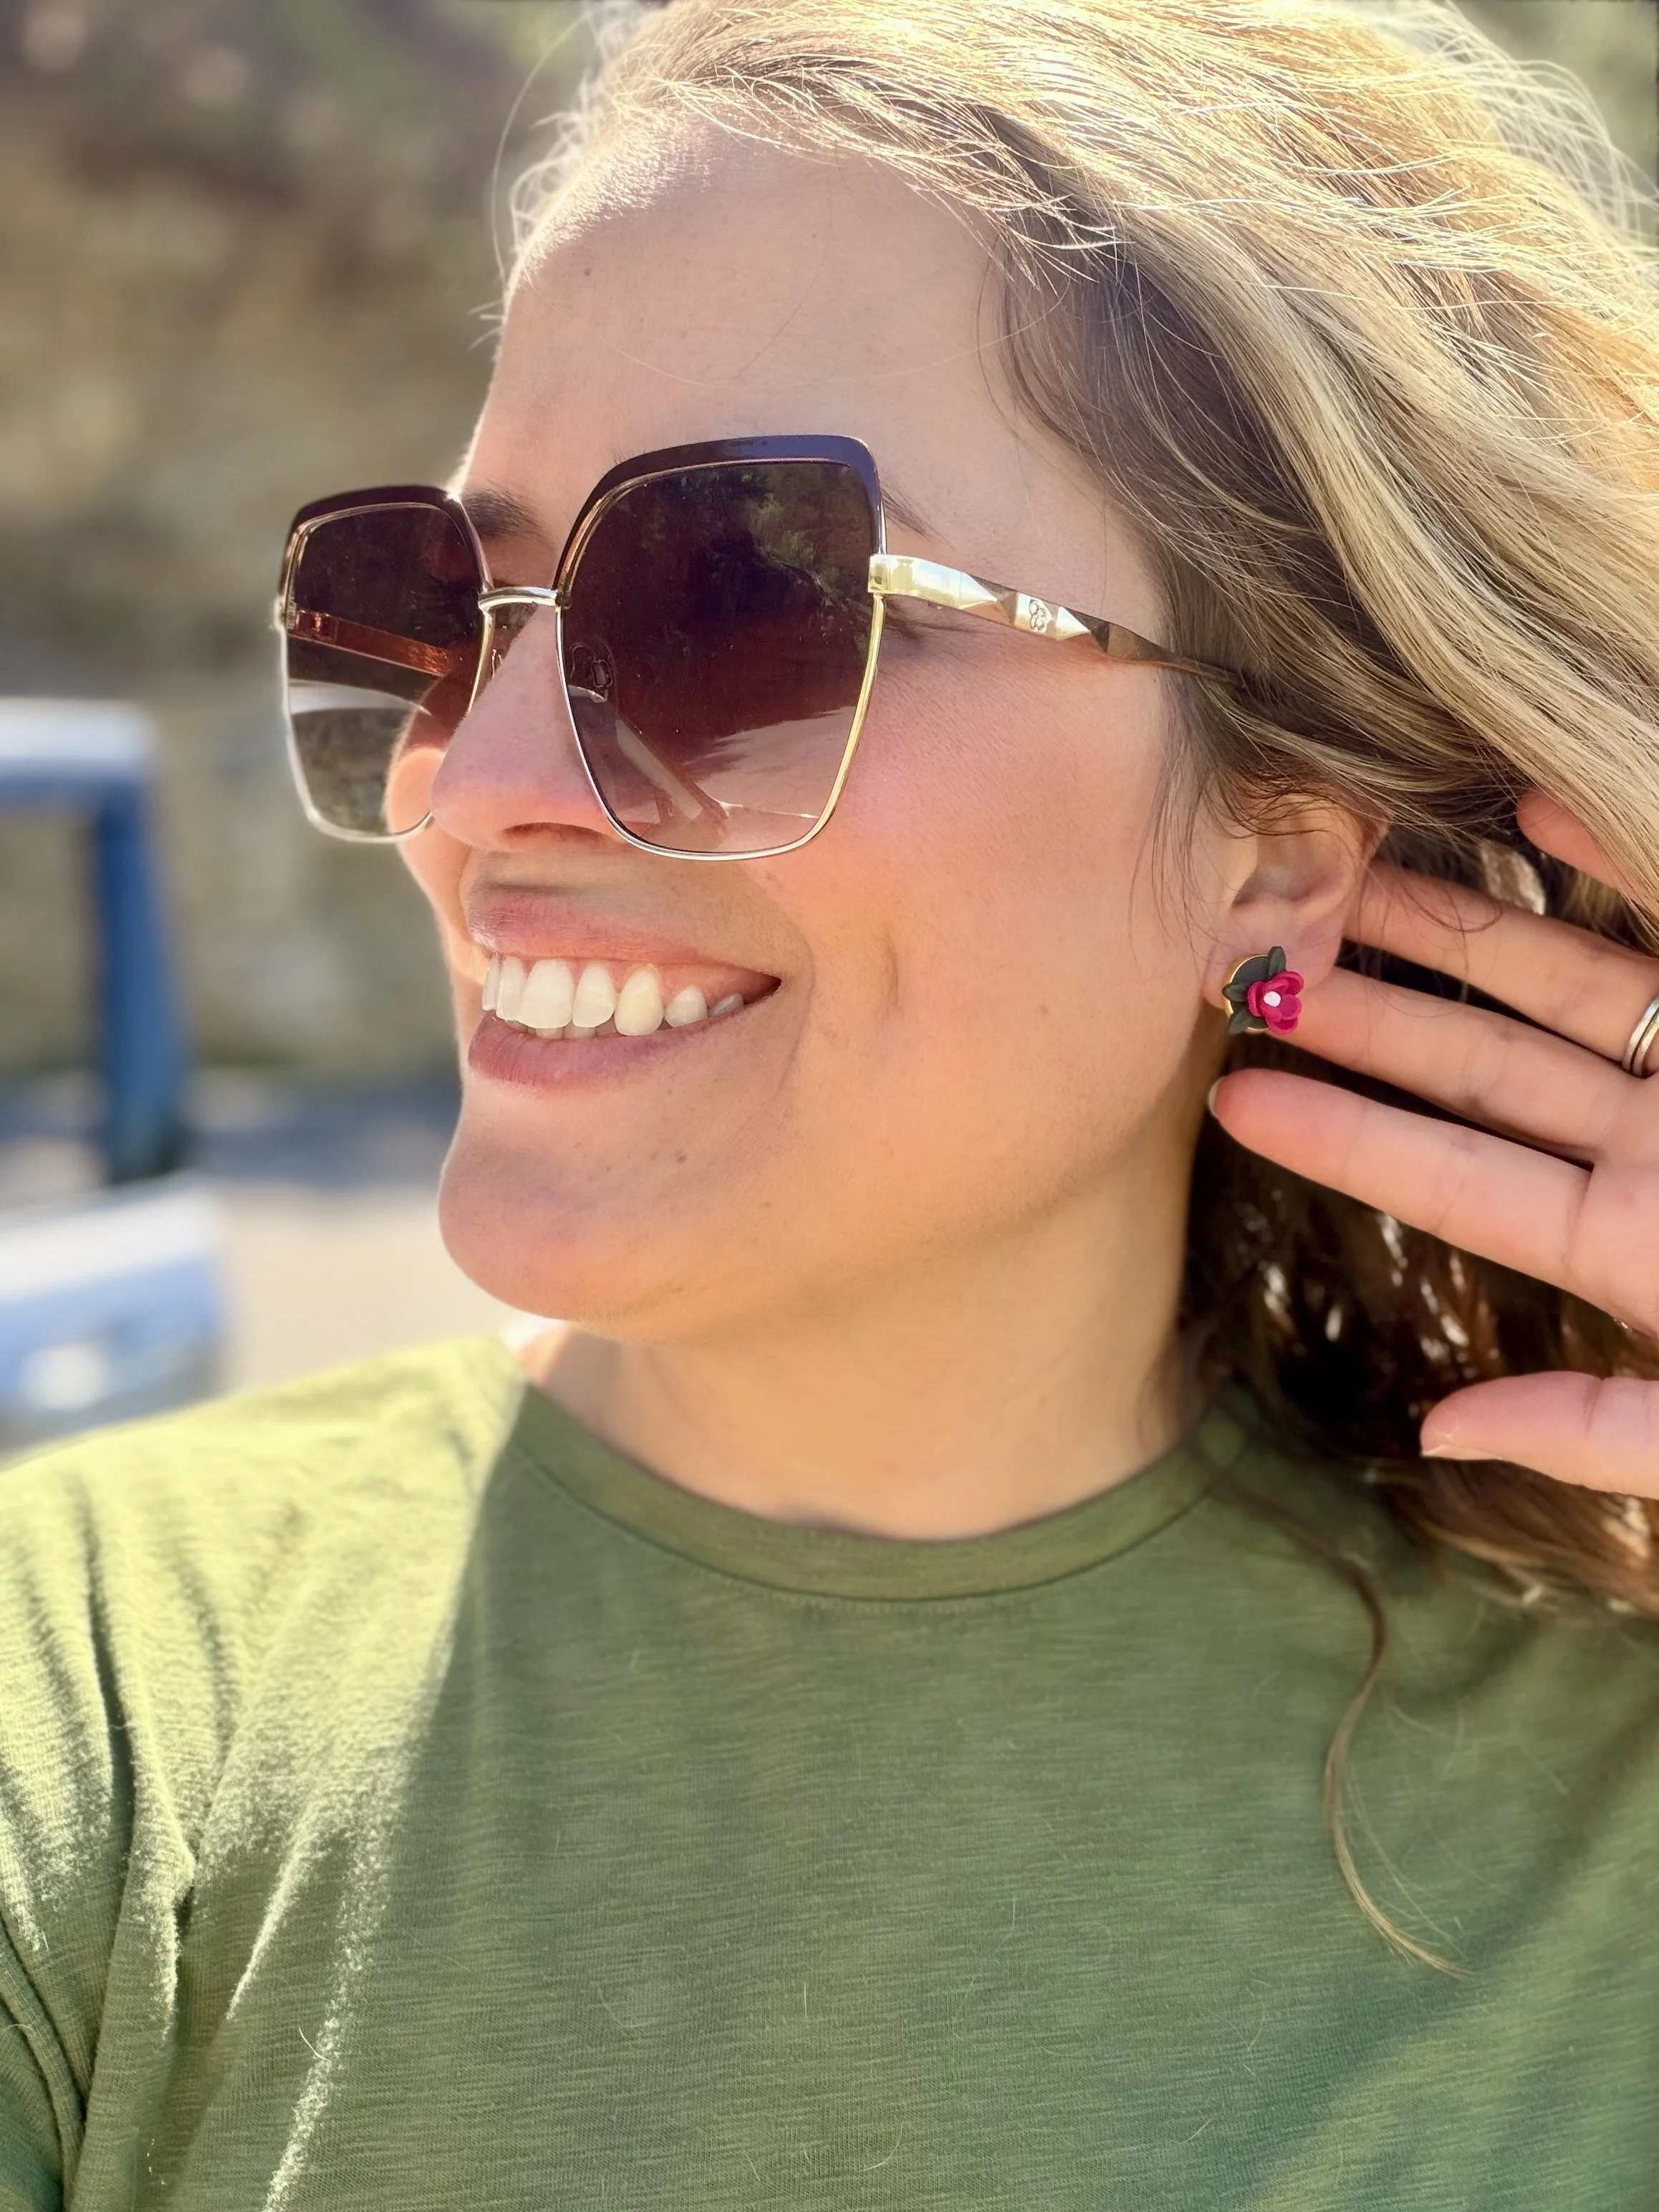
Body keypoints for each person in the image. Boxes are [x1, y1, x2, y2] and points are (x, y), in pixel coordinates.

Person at [5, 0, 1659, 2201]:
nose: (472, 787)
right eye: (437, 608)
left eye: (730, 601)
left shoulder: (1605, 1807)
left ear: (1276, 842)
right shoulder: (83, 1707)